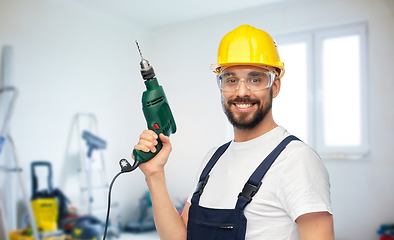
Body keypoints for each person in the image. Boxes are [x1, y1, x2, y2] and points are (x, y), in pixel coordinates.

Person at [133, 24, 335, 240]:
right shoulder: (212, 159)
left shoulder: (297, 160)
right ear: (221, 86)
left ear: (275, 86)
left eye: (255, 79)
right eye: (230, 80)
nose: (241, 91)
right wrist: (155, 175)